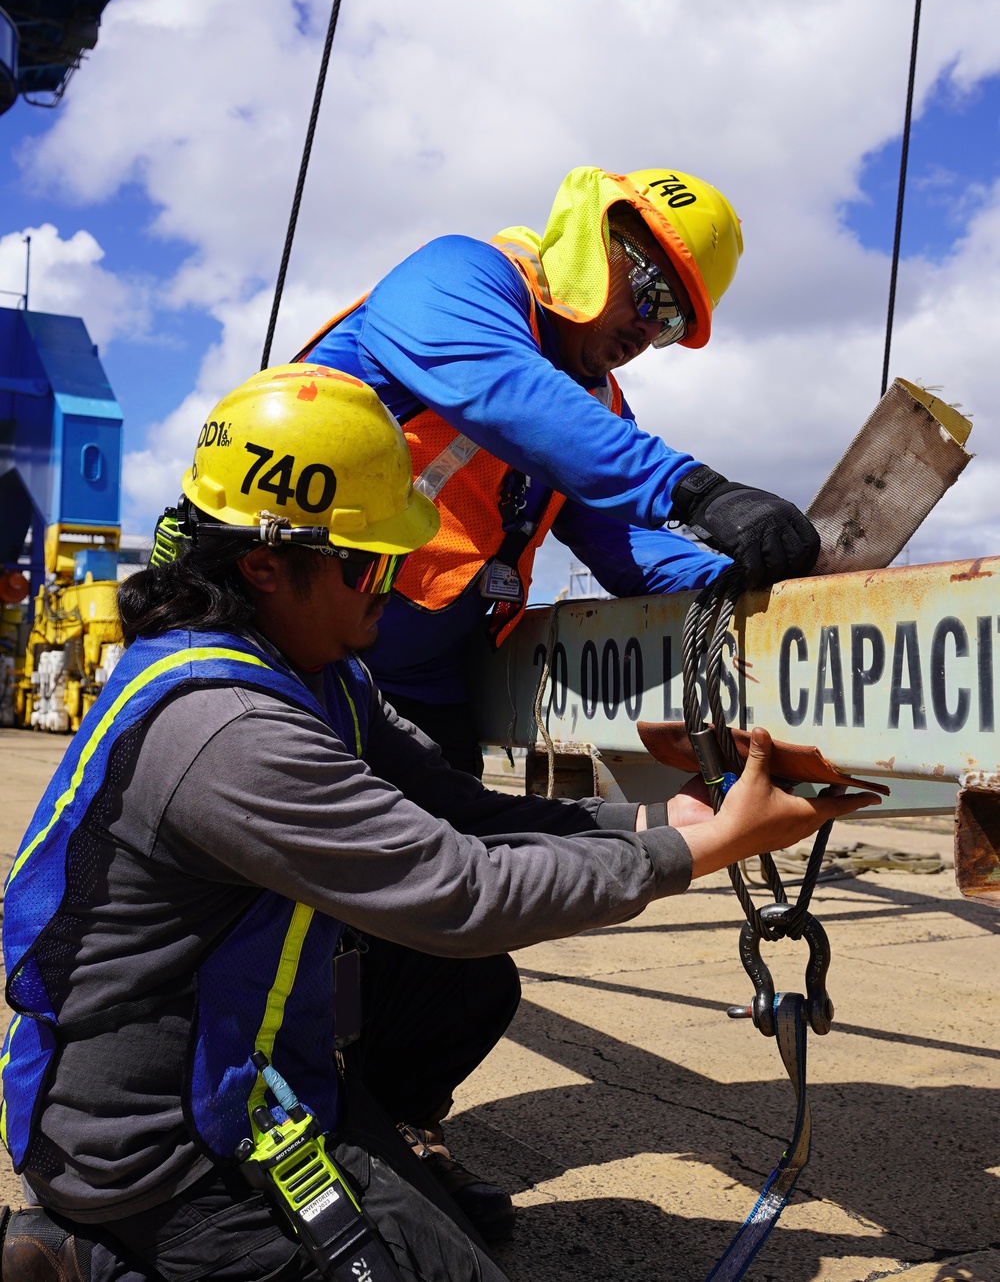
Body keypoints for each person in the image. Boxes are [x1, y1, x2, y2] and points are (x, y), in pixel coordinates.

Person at [0, 367, 873, 1282]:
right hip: (159, 1147)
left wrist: (658, 813)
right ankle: (91, 1254)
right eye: (368, 560)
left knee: (461, 1019)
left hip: (252, 1077)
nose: (396, 583)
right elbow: (463, 891)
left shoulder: (316, 674)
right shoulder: (230, 730)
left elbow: (459, 808)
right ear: (263, 563)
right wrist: (705, 847)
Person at [293, 166, 821, 775]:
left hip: (416, 684)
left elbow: (626, 539)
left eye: (671, 323)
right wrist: (698, 492)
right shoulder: (455, 277)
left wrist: (755, 586)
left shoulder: (595, 409)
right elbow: (504, 391)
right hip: (290, 642)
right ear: (594, 242)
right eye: (653, 294)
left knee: (458, 853)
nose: (649, 331)